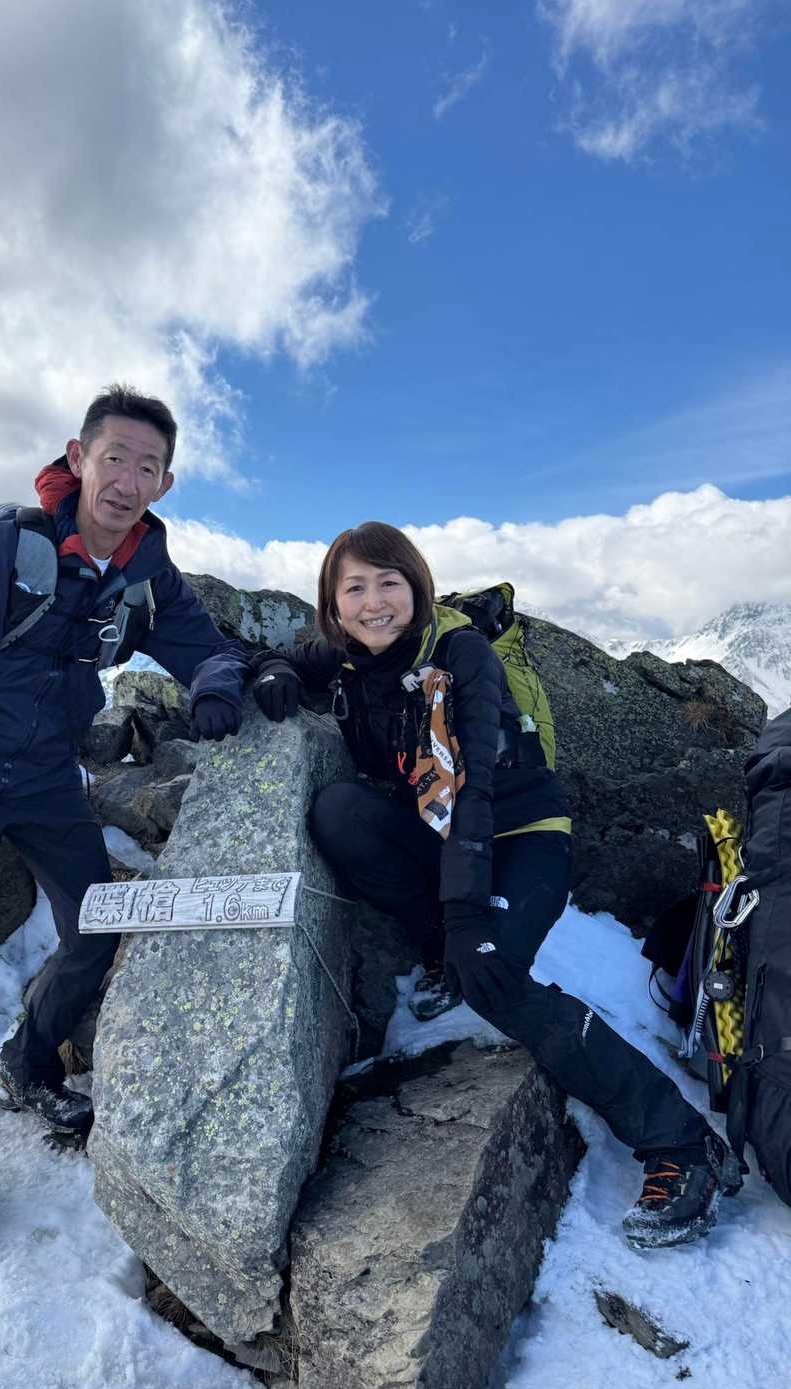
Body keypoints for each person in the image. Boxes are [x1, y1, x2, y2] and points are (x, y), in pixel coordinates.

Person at [250, 521, 742, 1249]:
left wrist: (469, 920)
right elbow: (266, 656)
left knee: (493, 978)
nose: (373, 602)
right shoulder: (346, 654)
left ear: (417, 587)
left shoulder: (462, 655)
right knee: (339, 813)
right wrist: (273, 674)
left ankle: (682, 1142)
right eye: (354, 588)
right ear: (333, 604)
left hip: (519, 837)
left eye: (389, 582)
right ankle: (439, 951)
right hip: (439, 835)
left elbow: (472, 790)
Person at [0, 385, 246, 1256]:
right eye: (114, 457)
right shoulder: (5, 548)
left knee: (95, 926)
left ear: (165, 484)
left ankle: (28, 1061)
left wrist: (223, 686)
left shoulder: (145, 572)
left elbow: (206, 647)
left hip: (49, 779)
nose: (127, 480)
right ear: (79, 457)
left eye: (148, 467)